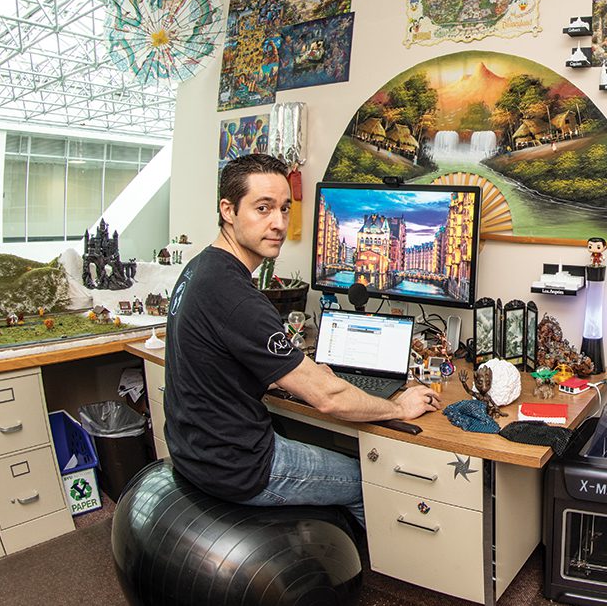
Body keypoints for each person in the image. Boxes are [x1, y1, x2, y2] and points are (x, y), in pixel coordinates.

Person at [164, 154, 441, 527]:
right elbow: (329, 398)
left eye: (284, 208)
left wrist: (295, 371)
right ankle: (380, 578)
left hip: (194, 450)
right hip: (239, 466)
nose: (278, 223)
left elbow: (221, 355)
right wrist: (398, 408)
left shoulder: (200, 268)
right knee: (370, 480)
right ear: (228, 210)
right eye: (262, 209)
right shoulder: (237, 296)